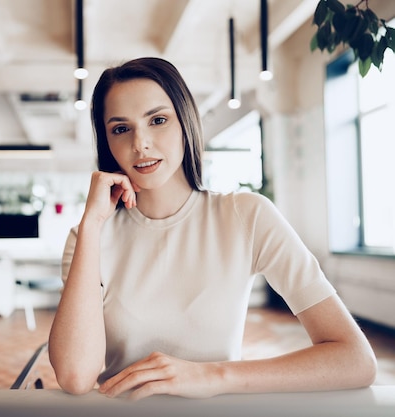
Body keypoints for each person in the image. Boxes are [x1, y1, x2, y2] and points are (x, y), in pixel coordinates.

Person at [47, 57, 377, 400]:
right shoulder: (88, 237)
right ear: (107, 142)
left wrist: (213, 375)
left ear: (185, 122)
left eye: (157, 120)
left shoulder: (247, 215)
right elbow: (75, 376)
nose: (140, 143)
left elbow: (355, 359)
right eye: (120, 128)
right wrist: (91, 224)